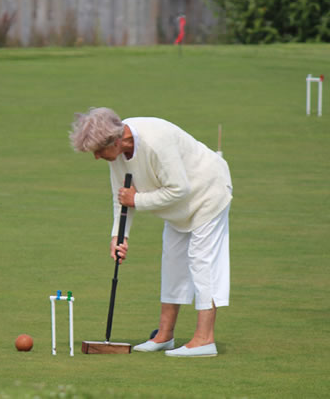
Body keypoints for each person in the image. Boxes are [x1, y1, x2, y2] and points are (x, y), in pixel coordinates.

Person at [69, 107, 232, 357]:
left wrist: (138, 200)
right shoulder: (118, 151)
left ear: (115, 140)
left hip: (207, 192)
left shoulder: (156, 141)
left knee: (203, 263)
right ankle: (164, 336)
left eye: (98, 151)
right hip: (176, 209)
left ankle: (204, 340)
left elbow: (179, 189)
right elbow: (122, 196)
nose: (97, 157)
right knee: (172, 263)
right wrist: (119, 236)